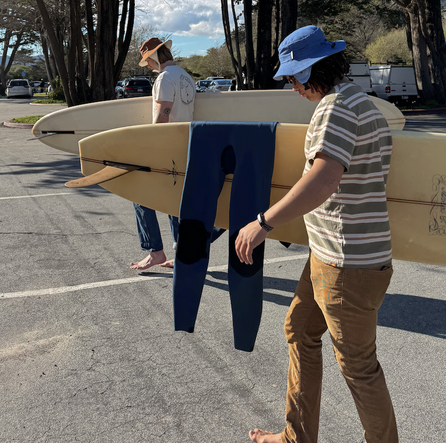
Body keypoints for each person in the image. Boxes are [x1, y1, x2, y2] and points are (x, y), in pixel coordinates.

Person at [236, 25, 397, 443]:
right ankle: (296, 437)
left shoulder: (336, 108)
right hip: (334, 257)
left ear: (309, 73)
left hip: (347, 264)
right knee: (300, 330)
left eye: (292, 78)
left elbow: (324, 180)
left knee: (359, 367)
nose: (292, 87)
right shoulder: (364, 104)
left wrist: (263, 222)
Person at [129, 37, 196, 271]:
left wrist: (151, 147)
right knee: (174, 202)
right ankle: (181, 252)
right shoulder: (186, 76)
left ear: (155, 57)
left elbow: (163, 113)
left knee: (138, 193)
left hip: (166, 147)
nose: (147, 65)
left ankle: (154, 251)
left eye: (148, 60)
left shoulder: (165, 78)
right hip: (184, 146)